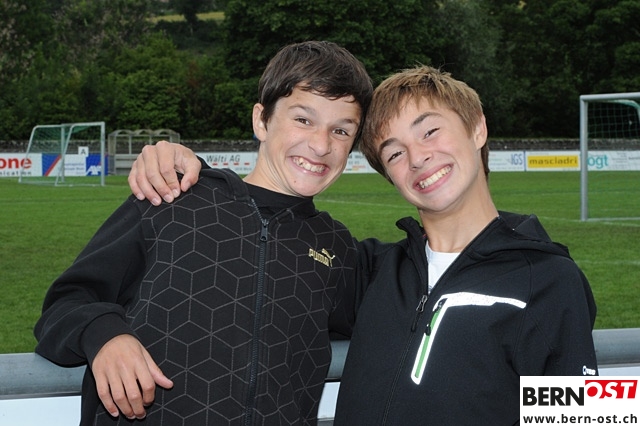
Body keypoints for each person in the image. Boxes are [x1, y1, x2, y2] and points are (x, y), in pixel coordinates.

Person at [128, 65, 599, 425]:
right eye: (394, 153)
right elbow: (267, 256)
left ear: (477, 127)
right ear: (388, 175)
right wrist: (175, 159)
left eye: (430, 131)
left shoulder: (550, 279)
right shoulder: (368, 269)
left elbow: (587, 416)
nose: (418, 157)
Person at [34, 40, 373, 426]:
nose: (321, 144)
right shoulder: (171, 197)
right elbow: (66, 302)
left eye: (341, 130)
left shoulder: (337, 249)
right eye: (303, 119)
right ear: (261, 121)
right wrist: (104, 335)